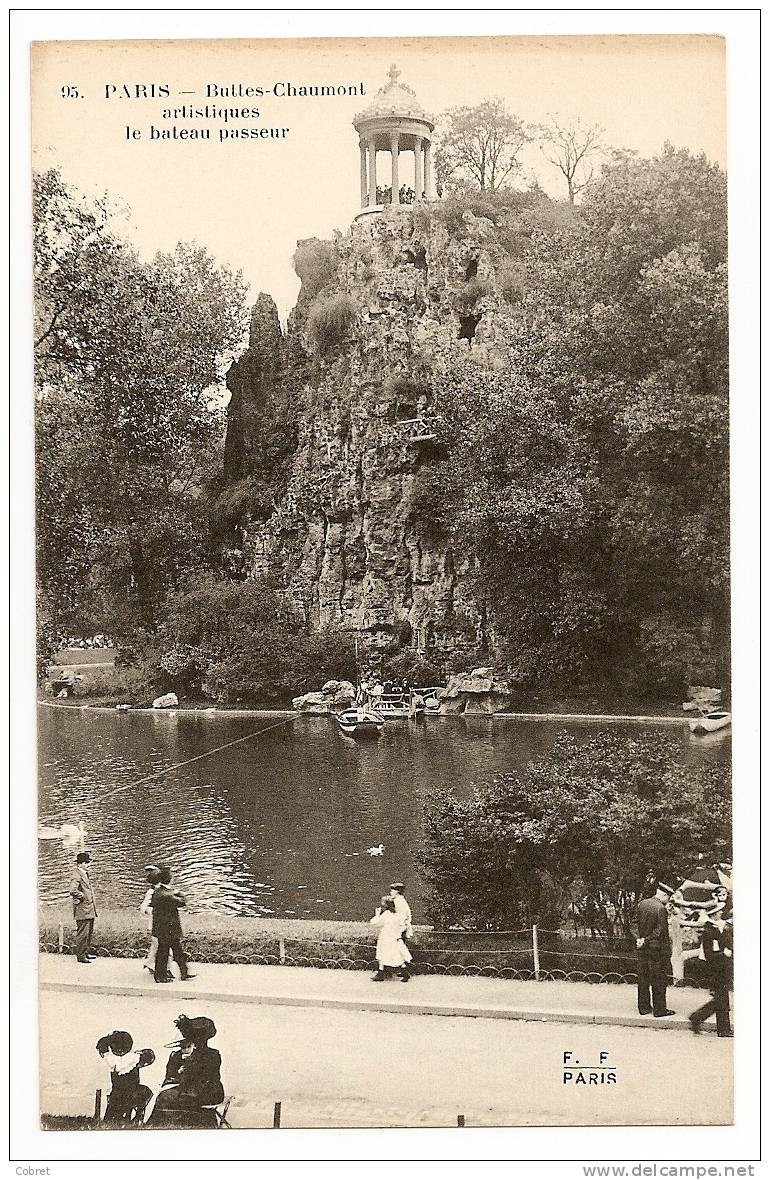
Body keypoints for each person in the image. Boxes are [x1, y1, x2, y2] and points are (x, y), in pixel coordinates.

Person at [149, 1015, 224, 1127]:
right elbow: (170, 1077)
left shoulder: (212, 1055)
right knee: (164, 1096)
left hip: (209, 1092)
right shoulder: (177, 1055)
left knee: (167, 1098)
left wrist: (189, 1066)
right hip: (186, 1090)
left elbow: (205, 1080)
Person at [689, 905, 733, 1037]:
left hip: (722, 968)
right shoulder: (709, 931)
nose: (721, 913)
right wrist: (723, 953)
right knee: (721, 999)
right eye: (719, 911)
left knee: (720, 999)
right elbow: (709, 954)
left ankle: (698, 1018)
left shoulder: (718, 927)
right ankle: (722, 1029)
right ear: (714, 914)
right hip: (715, 969)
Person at [635, 880, 675, 1017]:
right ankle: (660, 1010)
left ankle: (644, 1007)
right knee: (659, 980)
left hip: (642, 948)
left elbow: (633, 923)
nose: (667, 901)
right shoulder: (661, 909)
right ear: (664, 895)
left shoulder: (642, 903)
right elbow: (660, 931)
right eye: (668, 898)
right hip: (656, 950)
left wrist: (639, 939)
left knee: (643, 978)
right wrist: (646, 940)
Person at [96, 1030, 155, 1124]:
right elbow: (150, 1057)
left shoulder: (111, 1059)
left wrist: (108, 1039)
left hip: (117, 1094)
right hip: (133, 1092)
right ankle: (137, 1118)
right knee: (144, 1093)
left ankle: (117, 1120)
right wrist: (141, 1052)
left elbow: (101, 1047)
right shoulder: (134, 1058)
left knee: (113, 1115)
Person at [152, 865, 195, 984]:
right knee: (167, 952)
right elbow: (183, 902)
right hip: (168, 929)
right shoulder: (167, 895)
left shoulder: (159, 891)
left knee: (168, 951)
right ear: (169, 879)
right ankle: (164, 975)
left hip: (163, 928)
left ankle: (180, 973)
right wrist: (179, 892)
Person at [370, 895, 412, 983]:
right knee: (397, 955)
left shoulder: (386, 915)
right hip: (394, 938)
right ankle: (404, 973)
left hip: (386, 938)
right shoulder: (397, 915)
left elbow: (375, 923)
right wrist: (398, 933)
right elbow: (403, 926)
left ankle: (381, 974)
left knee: (382, 955)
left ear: (385, 906)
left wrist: (377, 915)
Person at [70, 851, 97, 964]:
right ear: (80, 864)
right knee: (83, 933)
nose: (88, 865)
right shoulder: (76, 874)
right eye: (86, 863)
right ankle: (81, 956)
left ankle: (85, 952)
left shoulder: (83, 873)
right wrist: (82, 896)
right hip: (83, 908)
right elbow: (72, 890)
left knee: (88, 932)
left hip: (89, 908)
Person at [140, 865, 161, 975]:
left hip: (163, 923)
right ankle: (155, 966)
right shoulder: (151, 892)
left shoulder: (162, 890)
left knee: (157, 945)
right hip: (155, 922)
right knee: (158, 945)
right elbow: (143, 908)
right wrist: (152, 910)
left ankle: (150, 964)